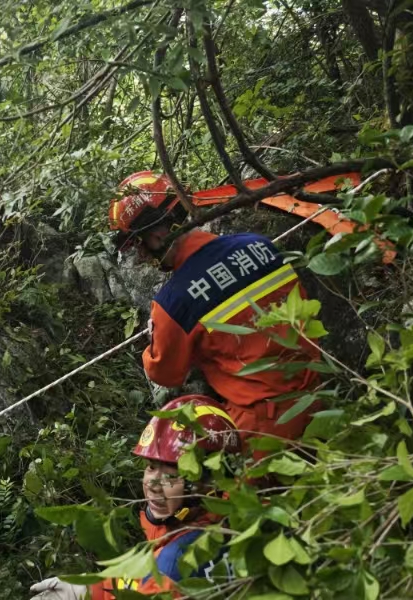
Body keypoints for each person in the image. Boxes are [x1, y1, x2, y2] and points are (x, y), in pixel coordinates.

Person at [109, 171, 321, 454]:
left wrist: (155, 338)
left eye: (139, 246)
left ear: (158, 237)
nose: (144, 256)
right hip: (318, 391)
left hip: (264, 425)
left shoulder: (173, 303)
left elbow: (165, 373)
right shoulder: (258, 245)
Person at [29, 395, 240, 599]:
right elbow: (141, 582)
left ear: (209, 483)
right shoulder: (244, 512)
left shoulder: (173, 566)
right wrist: (94, 588)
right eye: (150, 467)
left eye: (171, 475)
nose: (153, 485)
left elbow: (154, 582)